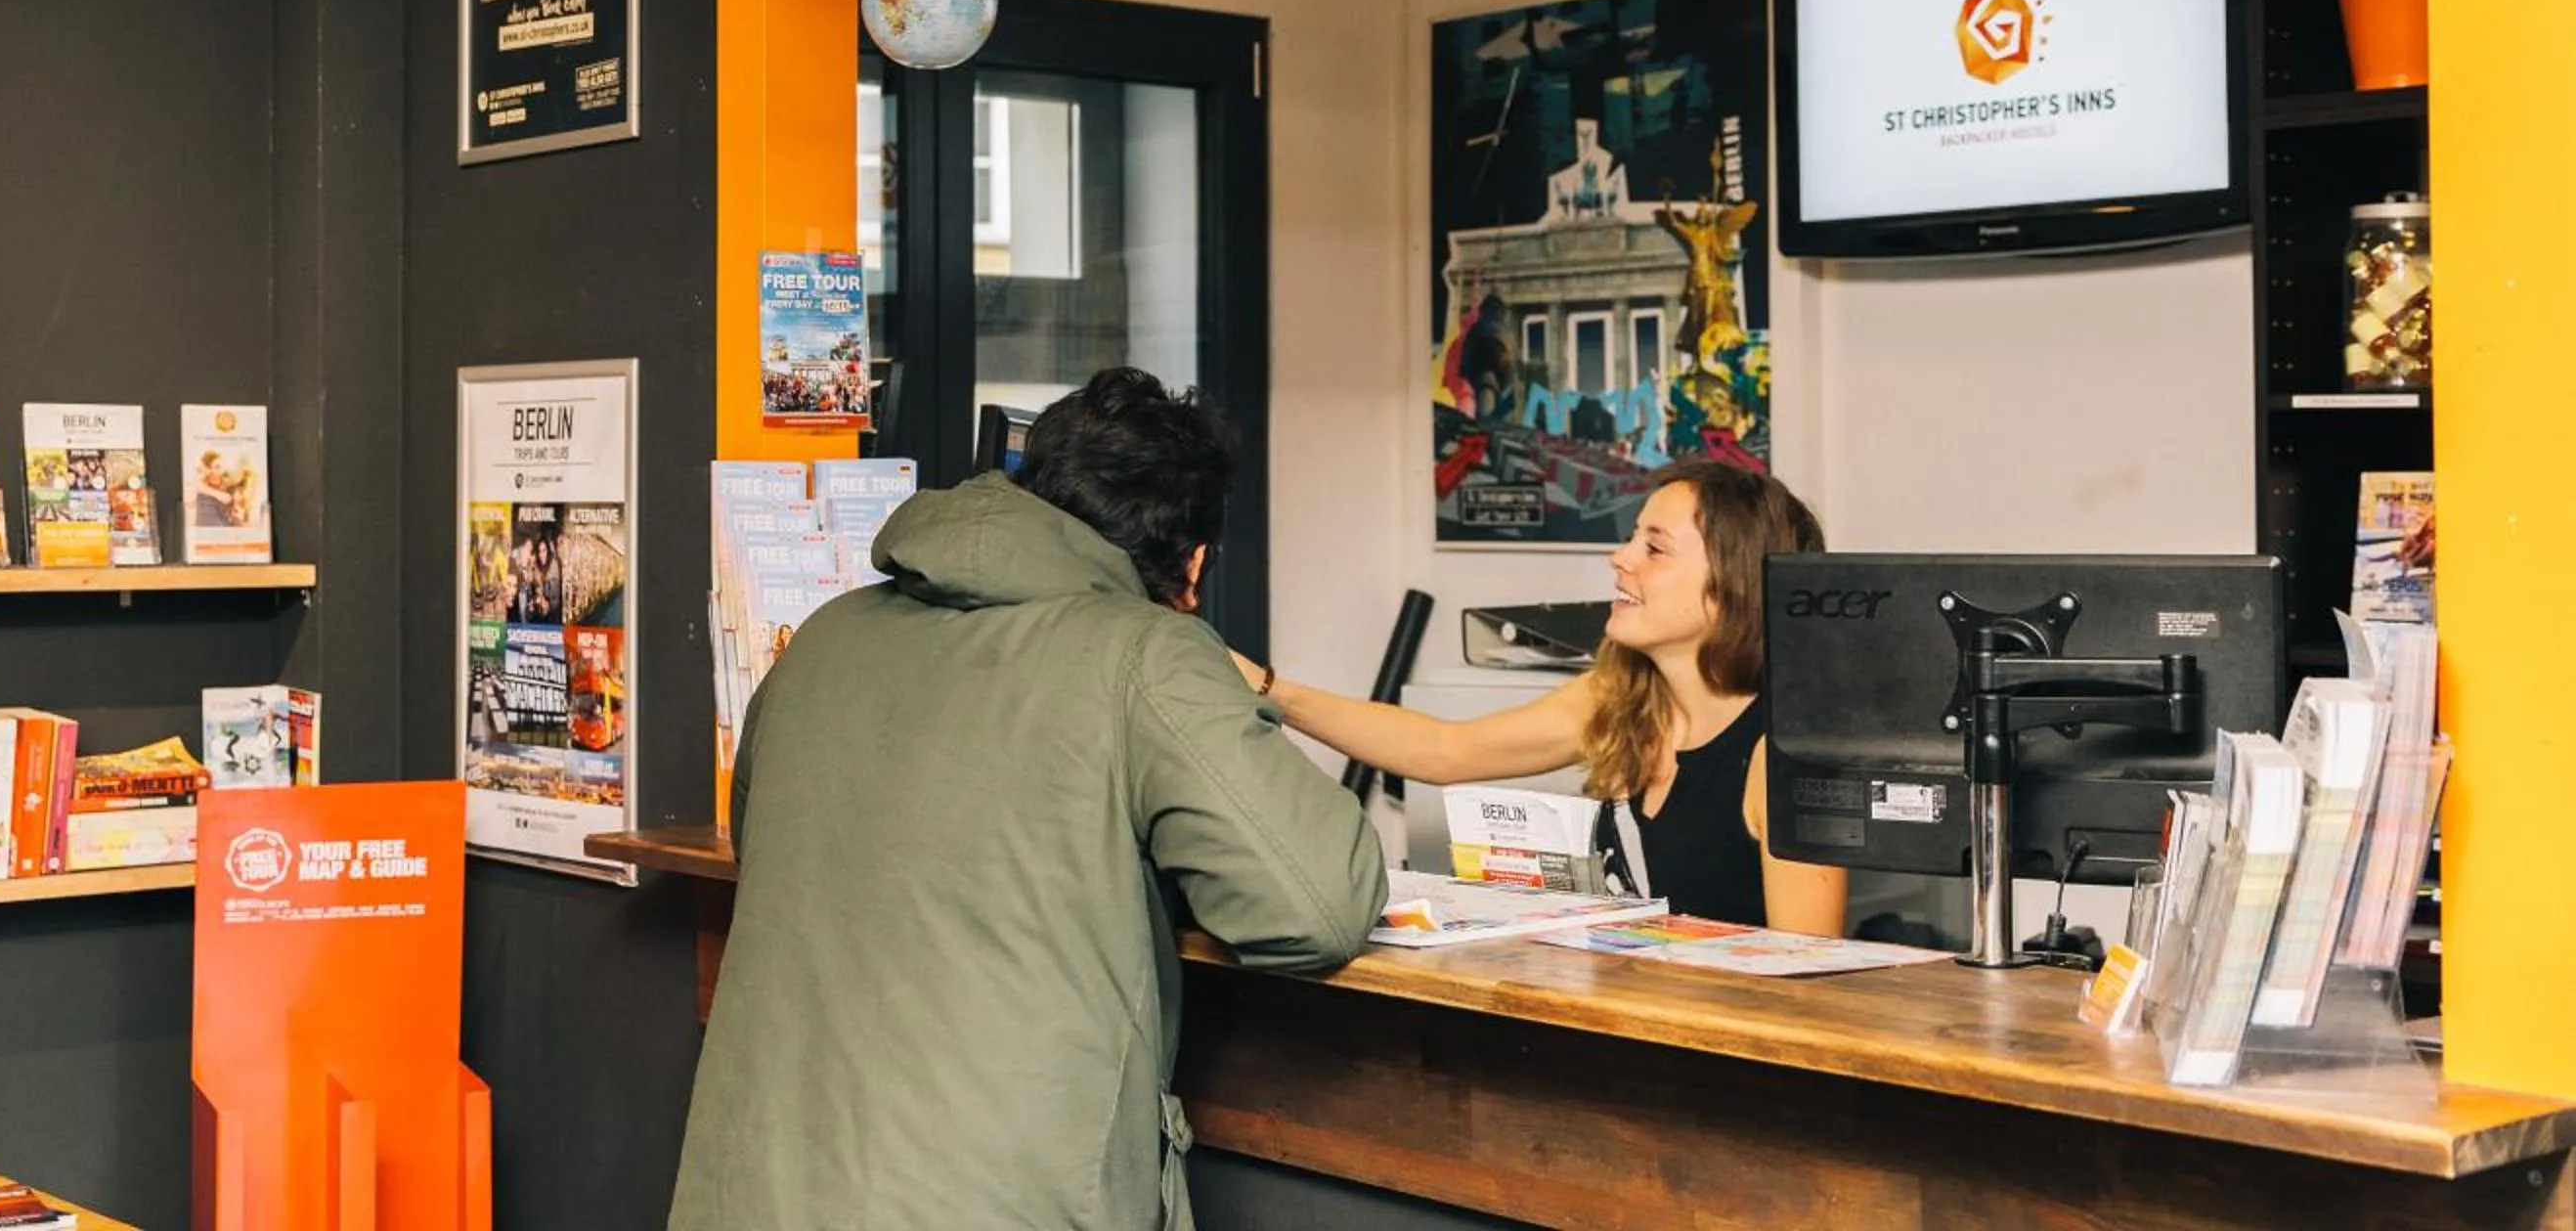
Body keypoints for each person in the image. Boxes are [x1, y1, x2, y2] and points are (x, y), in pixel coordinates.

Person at [672, 368, 1385, 1231]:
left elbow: (768, 842)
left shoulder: (826, 635)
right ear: (1191, 564)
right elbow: (1317, 907)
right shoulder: (1149, 656)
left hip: (754, 1190)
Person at [1235, 459, 1847, 936]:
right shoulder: (1624, 698)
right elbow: (1446, 750)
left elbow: (1809, 979)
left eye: (1653, 549)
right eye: (1633, 539)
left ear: (1731, 584)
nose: (1620, 558)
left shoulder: (1787, 754)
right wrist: (1270, 690)